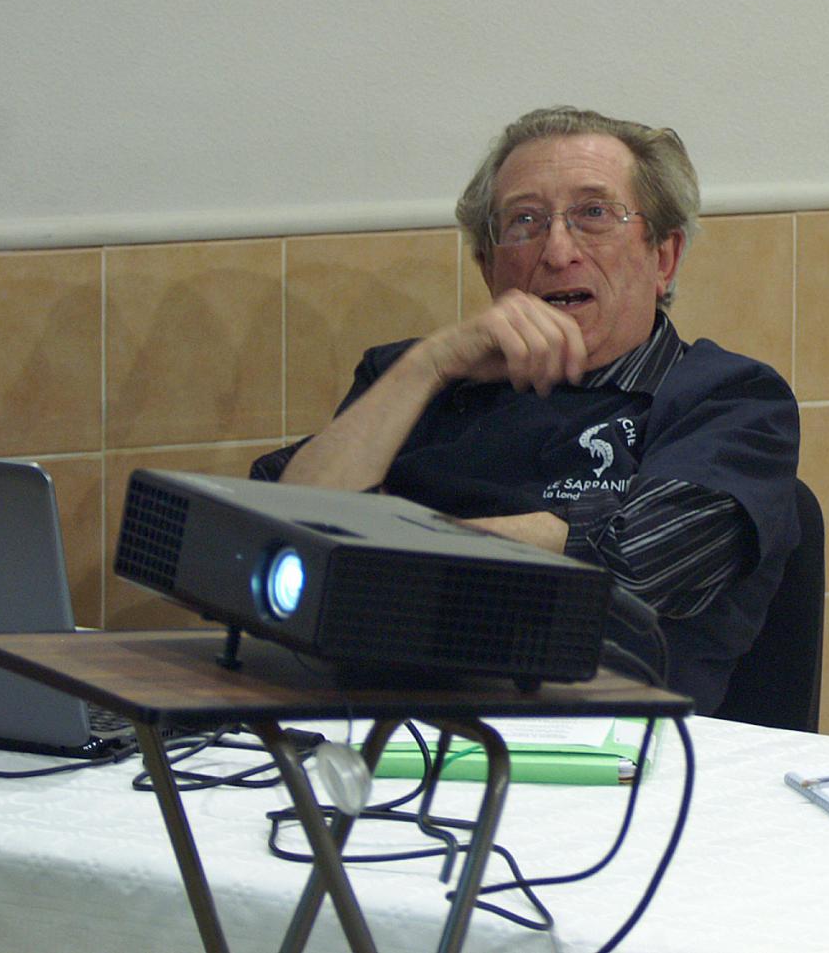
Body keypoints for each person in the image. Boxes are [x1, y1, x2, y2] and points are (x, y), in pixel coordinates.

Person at [252, 107, 800, 712]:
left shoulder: (730, 398)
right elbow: (278, 531)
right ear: (488, 267)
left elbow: (641, 559)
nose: (557, 251)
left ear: (663, 258)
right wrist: (429, 365)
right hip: (366, 718)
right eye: (525, 222)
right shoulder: (412, 379)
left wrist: (374, 547)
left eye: (594, 214)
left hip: (605, 744)